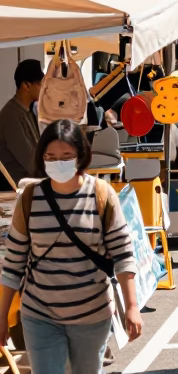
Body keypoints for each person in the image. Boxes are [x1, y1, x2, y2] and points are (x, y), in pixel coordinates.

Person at [0, 119, 142, 374]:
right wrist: (1, 318)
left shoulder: (102, 195)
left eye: (66, 155)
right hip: (39, 315)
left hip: (92, 316)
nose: (58, 162)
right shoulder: (30, 199)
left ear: (81, 155)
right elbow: (13, 264)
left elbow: (122, 254)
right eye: (50, 156)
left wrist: (132, 307)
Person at [0, 59, 43, 185]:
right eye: (40, 84)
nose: (43, 89)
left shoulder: (27, 111)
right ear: (26, 85)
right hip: (15, 189)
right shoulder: (11, 117)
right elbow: (31, 162)